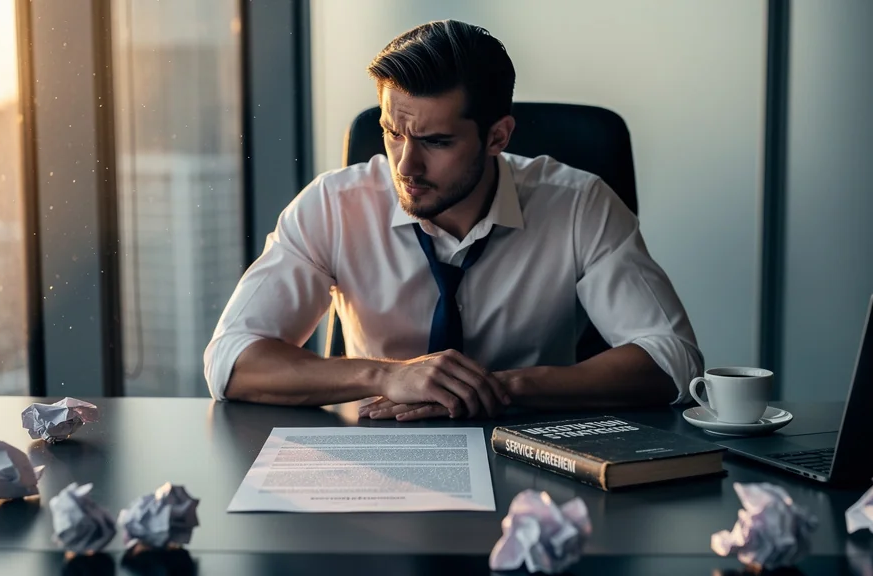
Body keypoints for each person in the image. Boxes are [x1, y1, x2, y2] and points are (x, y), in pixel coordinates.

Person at [204, 20, 702, 421]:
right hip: (372, 461)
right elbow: (232, 361)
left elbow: (672, 359)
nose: (405, 166)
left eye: (435, 142)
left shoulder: (579, 204)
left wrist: (501, 387)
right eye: (392, 133)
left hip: (533, 457)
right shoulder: (333, 205)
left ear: (497, 137)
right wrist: (385, 377)